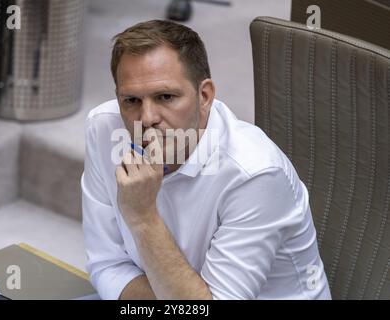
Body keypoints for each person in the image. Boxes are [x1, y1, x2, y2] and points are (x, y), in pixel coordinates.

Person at [81, 19, 331, 300]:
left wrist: (143, 217)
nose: (147, 118)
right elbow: (106, 264)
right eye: (131, 101)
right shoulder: (104, 129)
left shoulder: (254, 173)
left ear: (204, 96)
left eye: (165, 96)